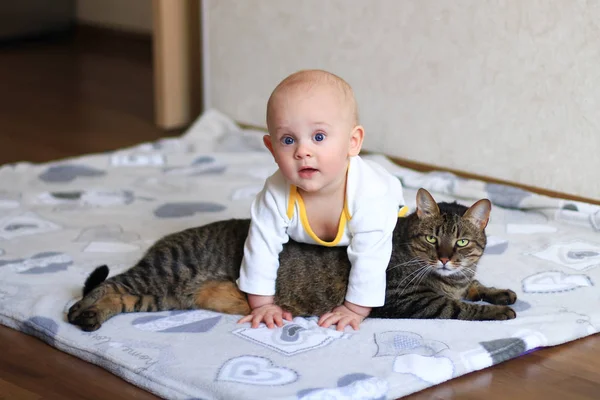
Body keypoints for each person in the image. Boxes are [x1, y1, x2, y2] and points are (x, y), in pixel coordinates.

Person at [237, 69, 406, 331]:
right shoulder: (275, 192)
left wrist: (355, 308)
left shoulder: (372, 195)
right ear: (271, 149)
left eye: (318, 137)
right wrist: (262, 304)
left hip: (386, 210)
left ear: (352, 142)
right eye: (288, 139)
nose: (303, 151)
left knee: (396, 240)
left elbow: (371, 257)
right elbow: (260, 247)